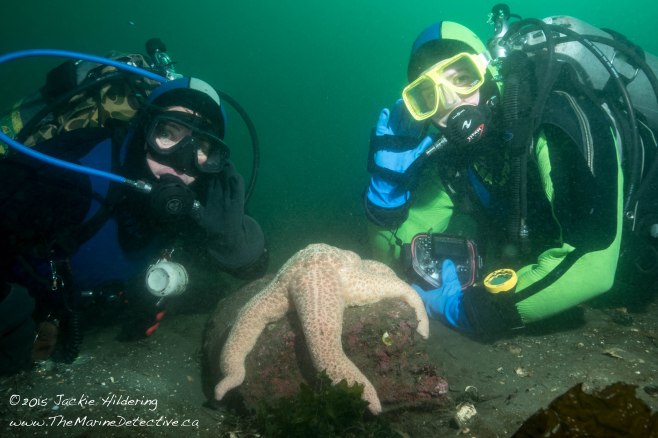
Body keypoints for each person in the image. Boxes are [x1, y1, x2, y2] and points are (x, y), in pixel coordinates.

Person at [364, 13, 658, 339]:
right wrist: (386, 196)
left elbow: (593, 263)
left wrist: (476, 310)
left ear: (487, 68)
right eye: (427, 95)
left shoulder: (554, 117)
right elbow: (398, 257)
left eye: (462, 77)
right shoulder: (452, 161)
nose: (450, 102)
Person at [0, 46, 267, 375]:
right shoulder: (76, 168)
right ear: (144, 130)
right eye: (167, 134)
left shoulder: (206, 194)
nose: (181, 160)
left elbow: (257, 272)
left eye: (201, 146)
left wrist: (231, 240)